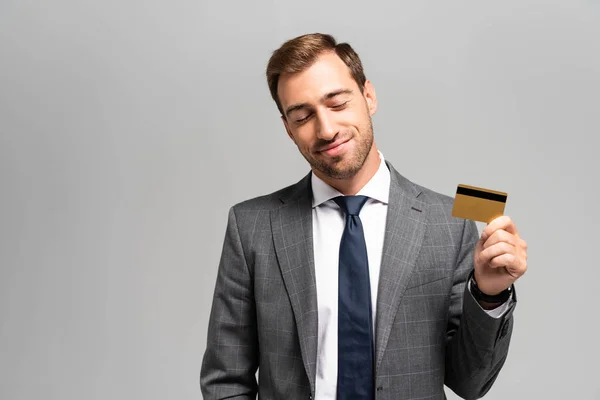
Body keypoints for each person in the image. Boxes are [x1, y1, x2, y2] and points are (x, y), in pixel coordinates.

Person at [200, 33, 528, 400]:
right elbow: (225, 380)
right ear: (288, 128)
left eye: (337, 103)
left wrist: (488, 295)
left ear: (368, 97)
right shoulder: (251, 227)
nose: (326, 130)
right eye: (303, 116)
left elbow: (470, 383)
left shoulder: (448, 224)